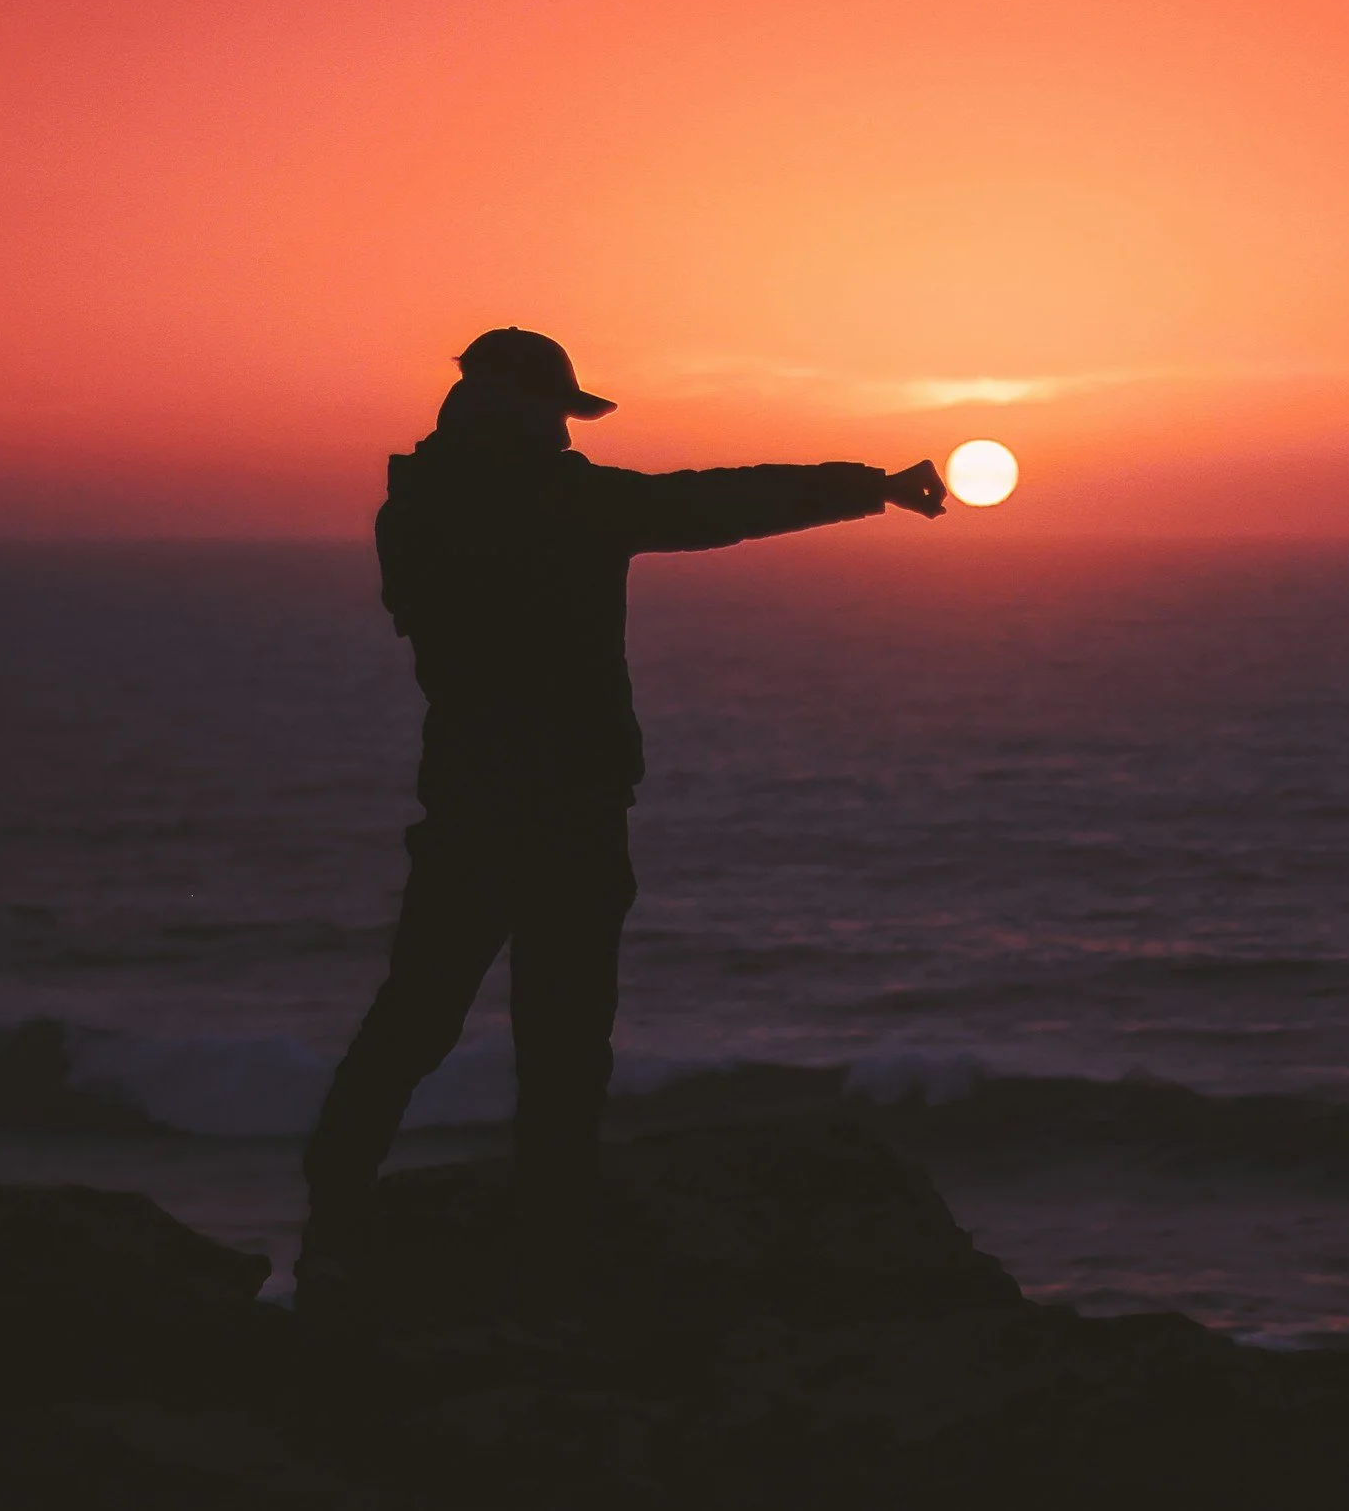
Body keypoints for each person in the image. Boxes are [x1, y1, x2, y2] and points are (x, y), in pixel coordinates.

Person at [297, 327, 946, 1316]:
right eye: (554, 412)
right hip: (560, 808)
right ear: (517, 409)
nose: (565, 430)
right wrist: (873, 484)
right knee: (557, 1040)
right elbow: (716, 501)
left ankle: (335, 1231)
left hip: (469, 803)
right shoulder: (560, 505)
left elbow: (696, 501)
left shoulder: (415, 507)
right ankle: (549, 1256)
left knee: (415, 1020)